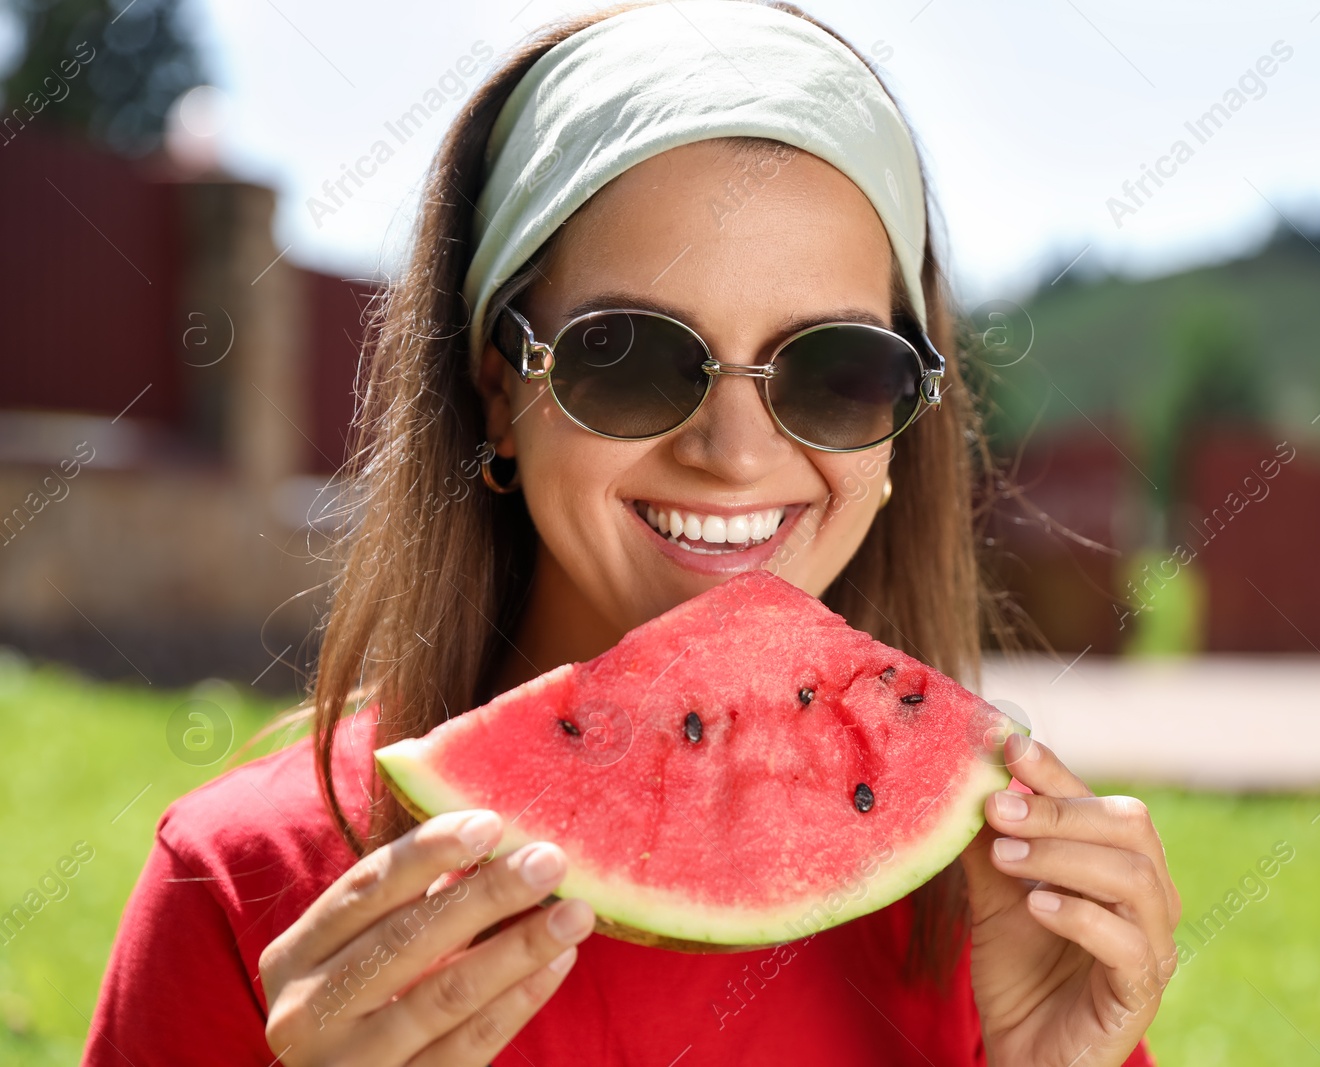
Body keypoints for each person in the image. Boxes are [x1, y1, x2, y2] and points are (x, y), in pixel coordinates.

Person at [86, 3, 1178, 1063]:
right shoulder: (243, 883)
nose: (735, 450)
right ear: (499, 391)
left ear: (903, 427)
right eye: (631, 356)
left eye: (838, 372)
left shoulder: (1006, 915)